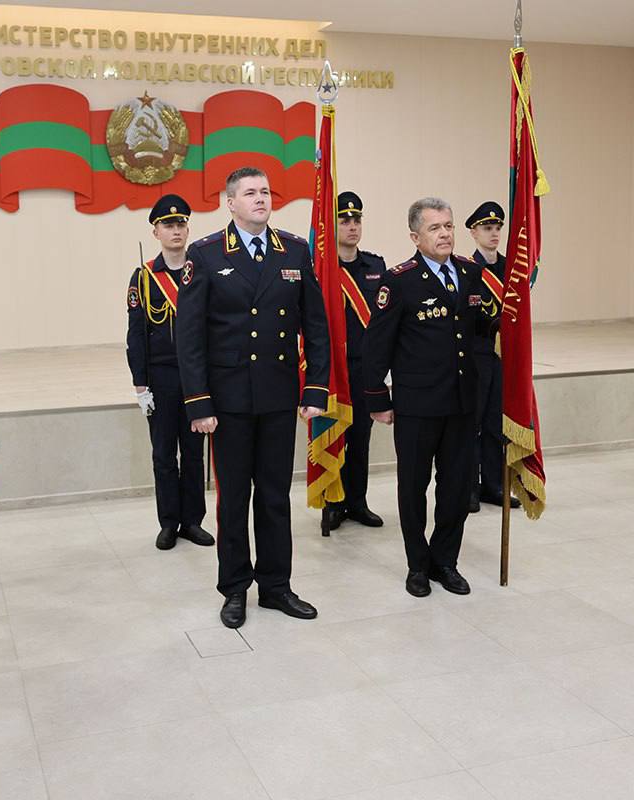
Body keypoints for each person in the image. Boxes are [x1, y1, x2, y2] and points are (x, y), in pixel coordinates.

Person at [176, 167, 331, 628]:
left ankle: (276, 586)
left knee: (275, 496)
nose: (261, 198)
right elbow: (189, 337)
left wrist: (315, 387)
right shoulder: (205, 254)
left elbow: (315, 326)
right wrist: (199, 402)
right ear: (231, 203)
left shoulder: (295, 251)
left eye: (265, 191)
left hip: (278, 395)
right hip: (228, 402)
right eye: (250, 193)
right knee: (233, 500)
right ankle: (235, 588)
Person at [363, 197, 486, 597]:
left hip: (462, 402)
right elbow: (376, 346)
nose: (445, 234)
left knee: (456, 489)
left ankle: (445, 561)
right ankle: (417, 565)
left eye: (448, 226)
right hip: (418, 405)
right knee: (413, 488)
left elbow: (481, 330)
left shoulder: (470, 273)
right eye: (435, 228)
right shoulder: (399, 281)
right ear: (415, 237)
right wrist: (377, 398)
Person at [127, 194, 213, 550]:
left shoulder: (203, 272)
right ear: (156, 232)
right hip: (161, 379)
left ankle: (193, 521)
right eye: (168, 225)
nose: (175, 230)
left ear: (187, 229)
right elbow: (136, 334)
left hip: (196, 381)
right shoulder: (144, 277)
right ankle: (168, 522)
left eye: (180, 224)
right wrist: (140, 385)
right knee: (163, 455)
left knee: (194, 453)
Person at [321, 191, 386, 532]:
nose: (351, 226)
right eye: (344, 220)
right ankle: (333, 503)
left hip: (363, 368)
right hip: (333, 370)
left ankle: (357, 502)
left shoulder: (376, 267)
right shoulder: (322, 269)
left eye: (356, 219)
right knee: (333, 436)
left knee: (360, 438)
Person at [465, 201, 520, 513]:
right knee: (472, 423)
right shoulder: (467, 269)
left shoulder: (510, 268)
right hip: (477, 354)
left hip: (503, 356)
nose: (494, 233)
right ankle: (469, 487)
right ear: (474, 233)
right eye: (487, 228)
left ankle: (493, 485)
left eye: (498, 227)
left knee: (495, 422)